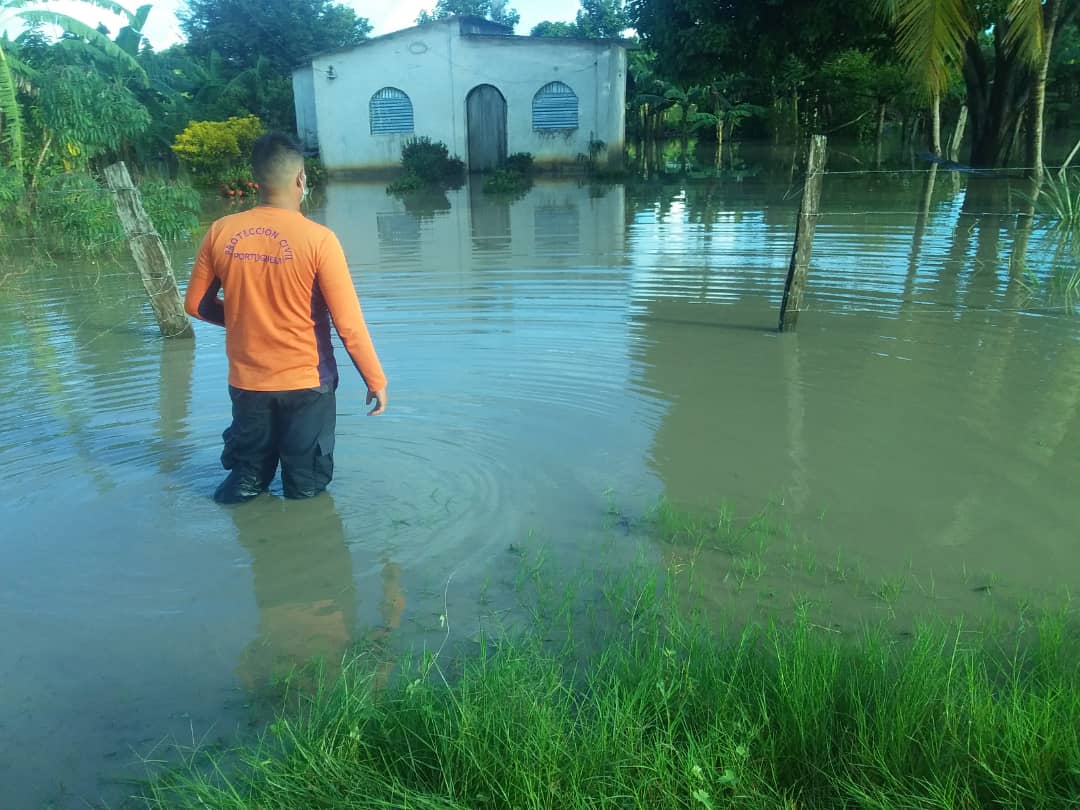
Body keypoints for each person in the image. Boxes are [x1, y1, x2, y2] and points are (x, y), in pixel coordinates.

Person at [185, 132, 387, 503]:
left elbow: (196, 305)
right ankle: (300, 549)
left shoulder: (220, 231)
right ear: (301, 179)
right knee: (306, 486)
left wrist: (248, 320)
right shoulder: (319, 240)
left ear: (256, 178)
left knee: (246, 480)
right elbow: (348, 326)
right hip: (307, 385)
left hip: (248, 384)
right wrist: (375, 379)